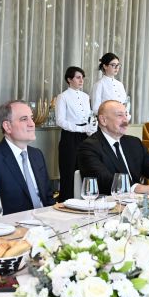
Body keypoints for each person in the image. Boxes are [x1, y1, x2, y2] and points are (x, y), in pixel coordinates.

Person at [77, 100, 149, 195]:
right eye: (120, 115)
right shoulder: (89, 147)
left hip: (137, 203)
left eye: (126, 115)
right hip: (109, 204)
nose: (125, 120)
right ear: (103, 120)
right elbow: (104, 180)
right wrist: (142, 188)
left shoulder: (134, 143)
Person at [0, 100, 54, 214]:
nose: (32, 124)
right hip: (14, 224)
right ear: (7, 126)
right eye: (24, 119)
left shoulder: (37, 154)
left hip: (46, 220)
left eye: (31, 118)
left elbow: (48, 197)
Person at [55, 66, 97, 201]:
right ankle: (66, 200)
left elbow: (89, 116)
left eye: (82, 78)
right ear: (69, 79)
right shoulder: (63, 97)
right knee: (69, 170)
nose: (81, 80)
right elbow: (60, 121)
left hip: (86, 137)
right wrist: (80, 129)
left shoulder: (85, 97)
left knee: (86, 168)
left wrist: (91, 127)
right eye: (78, 77)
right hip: (70, 137)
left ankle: (84, 199)